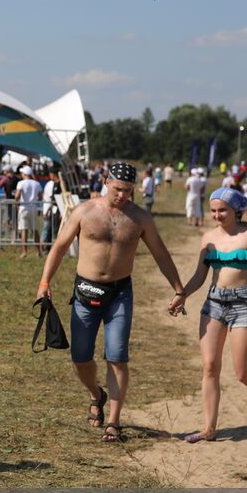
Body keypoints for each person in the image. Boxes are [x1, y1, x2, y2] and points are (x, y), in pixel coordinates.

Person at [37, 163, 186, 443]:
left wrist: (179, 289)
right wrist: (44, 283)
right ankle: (96, 394)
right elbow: (59, 247)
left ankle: (114, 423)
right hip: (85, 291)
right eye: (118, 189)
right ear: (106, 181)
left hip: (119, 294)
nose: (122, 195)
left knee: (117, 357)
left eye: (128, 191)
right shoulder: (84, 211)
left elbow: (161, 254)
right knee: (80, 358)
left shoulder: (140, 218)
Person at [175, 188, 247, 442]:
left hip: (245, 304)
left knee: (243, 373)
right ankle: (209, 429)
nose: (217, 215)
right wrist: (182, 295)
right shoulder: (208, 237)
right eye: (213, 211)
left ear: (236, 210)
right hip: (214, 303)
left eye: (222, 210)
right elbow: (200, 275)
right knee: (209, 366)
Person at [14, 168, 43, 257]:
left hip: (24, 207)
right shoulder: (37, 183)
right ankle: (38, 251)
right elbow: (41, 197)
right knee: (35, 230)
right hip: (33, 207)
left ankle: (24, 252)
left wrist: (16, 201)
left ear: (24, 174)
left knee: (24, 230)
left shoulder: (21, 183)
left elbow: (17, 196)